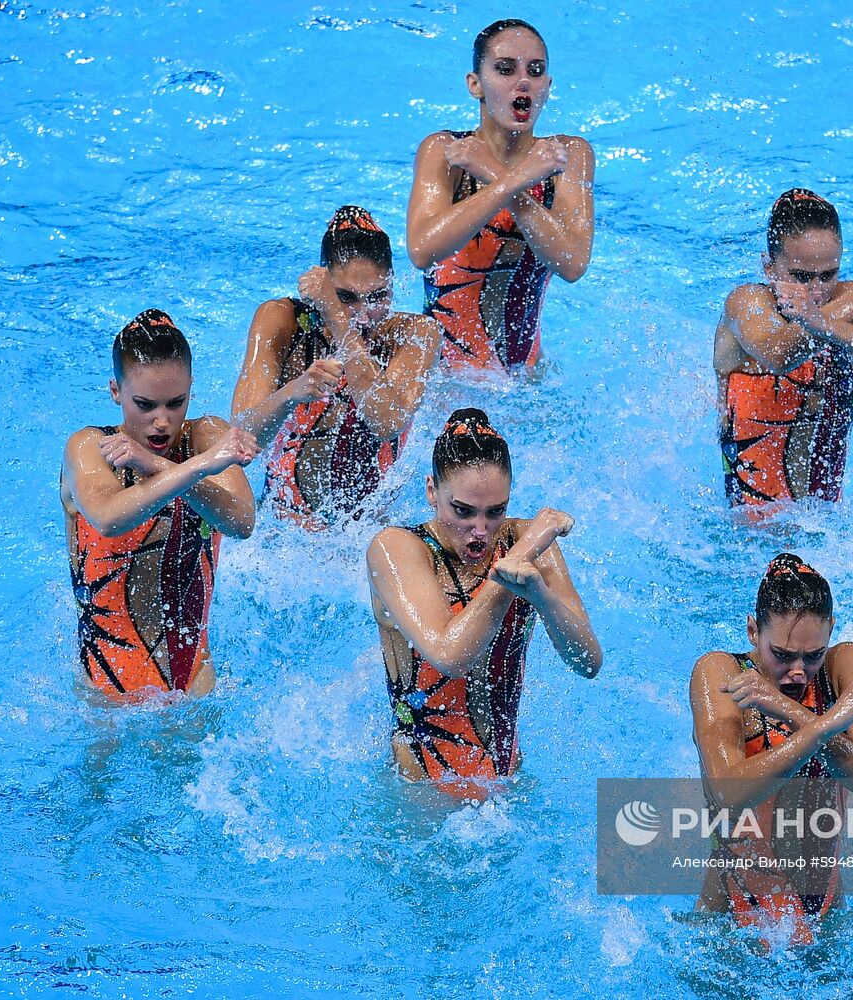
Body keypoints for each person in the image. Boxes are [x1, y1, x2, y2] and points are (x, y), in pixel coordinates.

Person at [366, 408, 601, 797]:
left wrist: (541, 595)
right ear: (431, 491)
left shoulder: (527, 542)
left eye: (496, 512)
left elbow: (587, 662)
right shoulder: (396, 549)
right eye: (463, 511)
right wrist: (519, 559)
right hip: (419, 793)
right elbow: (450, 655)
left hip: (508, 782)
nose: (480, 530)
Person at [689, 554, 853, 946]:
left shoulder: (846, 663)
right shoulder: (719, 673)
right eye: (781, 655)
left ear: (830, 632)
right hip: (731, 929)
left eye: (812, 655)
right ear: (752, 631)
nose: (798, 671)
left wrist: (789, 710)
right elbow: (728, 793)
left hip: (827, 922)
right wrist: (827, 723)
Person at [60, 309, 259, 701]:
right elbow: (108, 517)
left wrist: (155, 464)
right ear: (115, 391)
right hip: (105, 690)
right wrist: (200, 467)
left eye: (175, 402)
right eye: (145, 404)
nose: (162, 421)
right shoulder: (89, 447)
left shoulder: (205, 436)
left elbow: (242, 520)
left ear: (191, 389)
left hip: (195, 684)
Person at [715, 188, 853, 511]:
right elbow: (778, 354)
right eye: (800, 276)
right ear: (769, 267)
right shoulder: (748, 303)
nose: (816, 290)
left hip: (826, 523)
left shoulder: (850, 299)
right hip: (748, 528)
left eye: (829, 275)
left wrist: (828, 324)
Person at [232, 206, 441, 529]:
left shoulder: (415, 335)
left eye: (378, 296)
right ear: (322, 282)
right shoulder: (282, 322)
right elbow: (241, 437)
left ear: (393, 285)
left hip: (371, 532)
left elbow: (386, 421)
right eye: (346, 297)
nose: (363, 314)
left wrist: (338, 318)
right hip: (284, 533)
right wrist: (290, 394)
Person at [406, 19, 594, 372]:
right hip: (443, 378)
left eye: (535, 71)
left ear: (548, 87)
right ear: (475, 84)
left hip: (526, 378)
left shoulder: (568, 156)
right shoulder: (446, 151)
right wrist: (517, 180)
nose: (523, 80)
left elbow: (572, 263)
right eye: (505, 69)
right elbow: (422, 249)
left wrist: (497, 177)